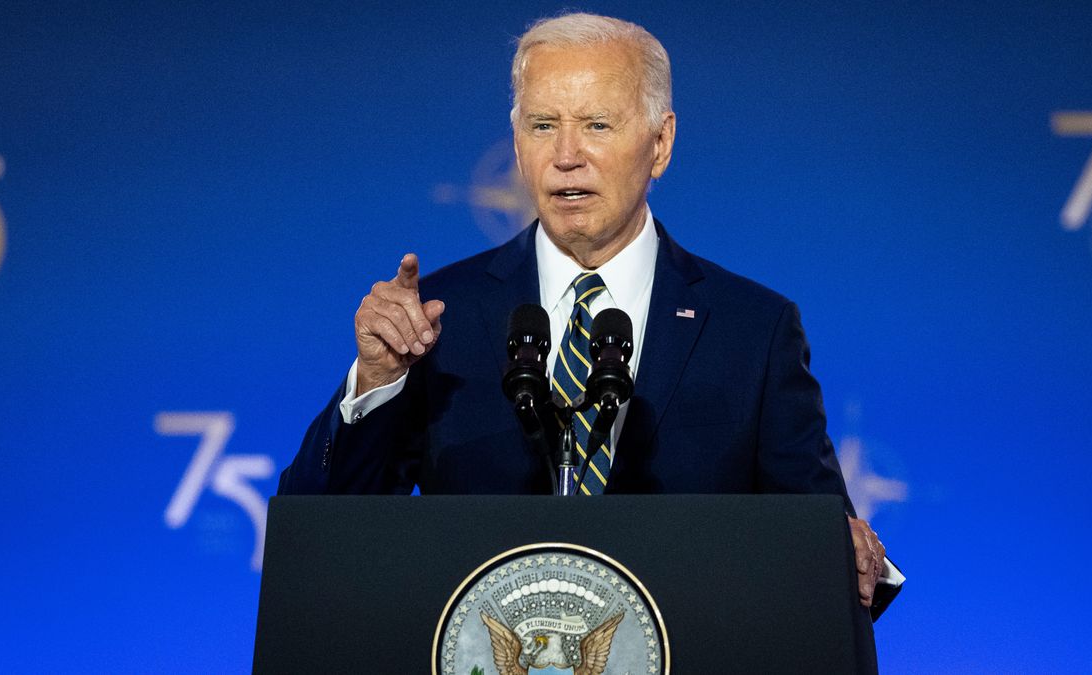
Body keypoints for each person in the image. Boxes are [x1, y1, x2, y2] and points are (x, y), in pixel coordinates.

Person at [278, 12, 903, 617]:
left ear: (660, 144)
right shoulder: (444, 316)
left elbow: (825, 549)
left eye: (597, 125)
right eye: (543, 125)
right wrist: (377, 382)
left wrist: (849, 553)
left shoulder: (752, 329)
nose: (566, 155)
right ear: (517, 142)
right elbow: (319, 539)